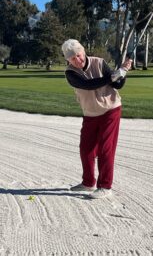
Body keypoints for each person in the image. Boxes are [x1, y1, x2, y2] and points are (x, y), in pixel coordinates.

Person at [62, 39, 132, 199]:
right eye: (73, 59)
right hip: (90, 113)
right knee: (86, 149)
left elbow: (117, 85)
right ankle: (88, 183)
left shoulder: (99, 62)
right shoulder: (70, 73)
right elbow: (88, 85)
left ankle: (105, 186)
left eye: (79, 55)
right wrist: (112, 76)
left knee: (105, 149)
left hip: (111, 109)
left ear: (83, 51)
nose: (77, 60)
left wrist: (122, 73)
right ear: (68, 60)